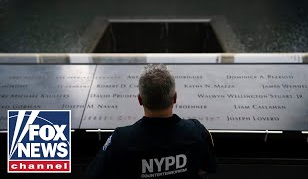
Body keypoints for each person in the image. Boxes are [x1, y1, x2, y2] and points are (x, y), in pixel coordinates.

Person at [85, 63, 216, 179]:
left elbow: (93, 174)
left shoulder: (120, 140)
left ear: (140, 100)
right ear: (174, 98)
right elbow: (207, 168)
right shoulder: (197, 132)